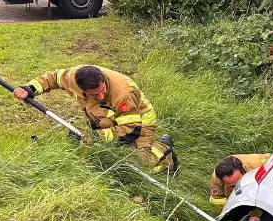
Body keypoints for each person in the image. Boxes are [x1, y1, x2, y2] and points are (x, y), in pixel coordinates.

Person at [13, 65, 178, 174]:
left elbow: (130, 129)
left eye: (103, 90)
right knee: (94, 157)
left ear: (103, 79)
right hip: (107, 119)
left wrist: (95, 137)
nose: (101, 96)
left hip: (139, 123)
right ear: (82, 89)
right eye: (94, 95)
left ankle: (163, 148)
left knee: (141, 165)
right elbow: (53, 78)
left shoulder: (122, 93)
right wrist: (30, 88)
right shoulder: (73, 77)